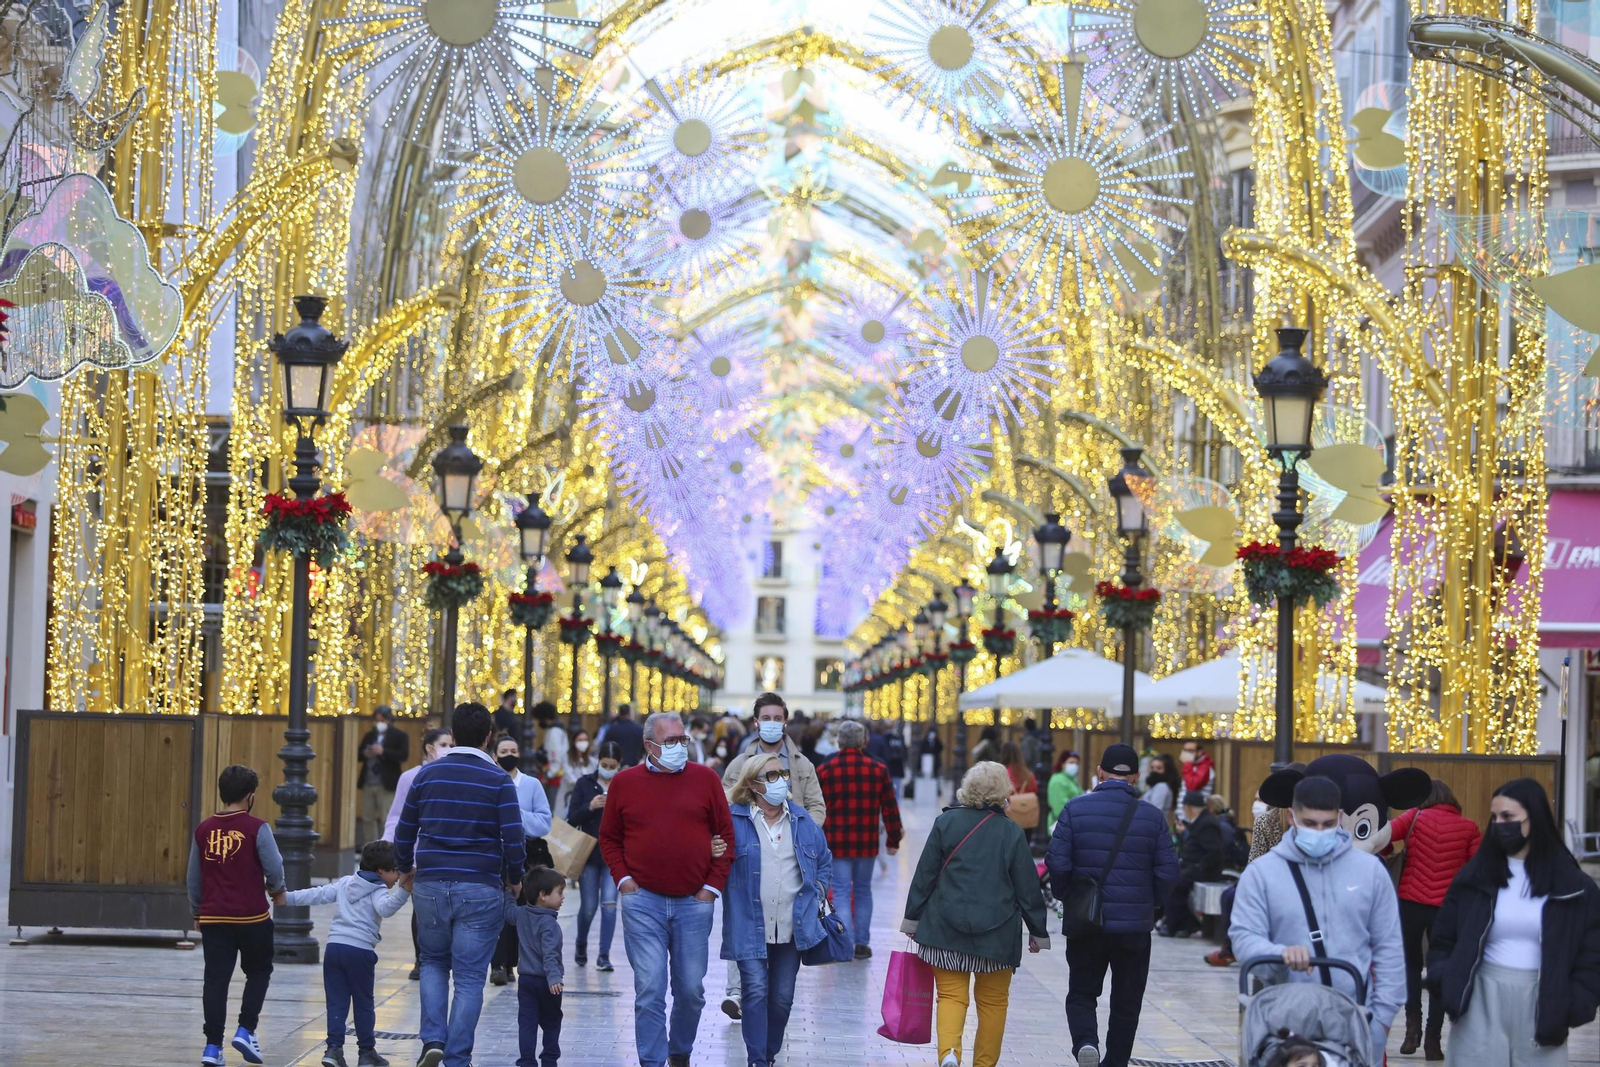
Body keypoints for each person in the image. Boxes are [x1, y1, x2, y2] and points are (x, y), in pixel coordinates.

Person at [1428, 777, 1600, 1066]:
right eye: (1494, 817)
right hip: (1479, 1003)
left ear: (1535, 819)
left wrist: (1573, 1004)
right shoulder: (1474, 878)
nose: (1499, 824)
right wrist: (1446, 982)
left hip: (1543, 1005)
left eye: (1508, 817)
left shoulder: (1575, 887)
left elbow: (1593, 954)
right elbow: (1443, 940)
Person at [1230, 775, 1403, 1059]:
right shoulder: (1261, 873)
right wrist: (1278, 953)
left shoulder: (1370, 871)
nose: (1319, 832)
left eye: (1327, 824)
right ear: (1291, 817)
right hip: (1283, 1020)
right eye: (1310, 823)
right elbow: (1243, 937)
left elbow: (1389, 948)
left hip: (1352, 1017)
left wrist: (1381, 1022)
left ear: (1340, 817)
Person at [600, 712, 736, 1067]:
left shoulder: (705, 779)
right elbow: (609, 837)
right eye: (671, 741)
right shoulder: (624, 783)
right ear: (649, 745)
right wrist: (624, 881)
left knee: (691, 991)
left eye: (683, 740)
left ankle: (679, 1052)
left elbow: (727, 836)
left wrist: (710, 888)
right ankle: (652, 1060)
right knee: (650, 990)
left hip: (694, 902)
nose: (680, 747)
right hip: (642, 900)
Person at [394, 702, 527, 1067]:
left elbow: (405, 831)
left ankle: (433, 1040)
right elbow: (513, 838)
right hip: (481, 887)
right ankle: (457, 1057)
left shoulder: (427, 776)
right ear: (488, 737)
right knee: (469, 977)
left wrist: (406, 867)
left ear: (452, 735)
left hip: (431, 884)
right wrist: (515, 878)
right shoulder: (499, 780)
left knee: (433, 962)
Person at [903, 761, 1050, 1067]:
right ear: (1003, 791)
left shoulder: (946, 823)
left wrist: (912, 918)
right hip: (997, 935)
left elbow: (925, 875)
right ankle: (984, 1064)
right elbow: (1027, 886)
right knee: (994, 1003)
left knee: (951, 997)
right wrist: (1038, 931)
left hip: (945, 929)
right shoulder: (1011, 831)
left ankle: (950, 1055)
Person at [1046, 743, 1179, 1067]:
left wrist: (1069, 896)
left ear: (1100, 772)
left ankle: (1085, 1043)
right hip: (1134, 926)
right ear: (1135, 776)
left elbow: (1057, 863)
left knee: (1082, 992)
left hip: (1086, 923)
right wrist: (1150, 905)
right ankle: (1116, 1060)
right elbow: (1169, 871)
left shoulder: (1075, 810)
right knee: (1127, 1000)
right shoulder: (1152, 816)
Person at [722, 752, 834, 1067]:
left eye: (782, 773)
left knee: (782, 999)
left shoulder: (800, 819)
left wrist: (819, 890)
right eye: (771, 775)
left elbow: (823, 860)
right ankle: (757, 1060)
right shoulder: (734, 819)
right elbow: (714, 861)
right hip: (748, 924)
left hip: (792, 926)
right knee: (755, 991)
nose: (781, 780)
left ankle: (768, 1054)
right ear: (754, 784)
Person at [720, 695, 827, 1017]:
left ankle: (772, 994)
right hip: (749, 852)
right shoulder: (740, 763)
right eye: (765, 716)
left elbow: (816, 805)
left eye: (777, 716)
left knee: (781, 922)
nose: (771, 722)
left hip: (790, 853)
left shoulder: (801, 763)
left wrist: (805, 834)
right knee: (744, 915)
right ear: (755, 722)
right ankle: (738, 992)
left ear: (785, 720)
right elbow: (723, 804)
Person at [283, 839, 413, 1067]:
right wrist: (404, 891)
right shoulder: (378, 889)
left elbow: (318, 894)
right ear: (382, 871)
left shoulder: (345, 883)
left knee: (336, 1003)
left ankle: (333, 1050)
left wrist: (287, 898)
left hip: (334, 949)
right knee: (363, 1003)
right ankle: (366, 1053)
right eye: (396, 872)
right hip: (360, 952)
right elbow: (386, 909)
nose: (398, 877)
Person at [188, 764, 285, 1067]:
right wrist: (276, 888)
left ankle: (212, 1046)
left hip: (214, 917)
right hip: (252, 916)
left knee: (215, 980)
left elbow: (193, 877)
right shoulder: (257, 827)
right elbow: (274, 866)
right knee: (258, 971)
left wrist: (197, 910)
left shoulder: (204, 829)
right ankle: (246, 1029)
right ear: (250, 796)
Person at [1386, 777, 1481, 1057]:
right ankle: (1432, 1040)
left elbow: (1384, 838)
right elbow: (1477, 870)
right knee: (1440, 971)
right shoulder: (1469, 827)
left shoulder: (1413, 817)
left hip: (1409, 903)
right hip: (1446, 909)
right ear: (1451, 799)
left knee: (1410, 966)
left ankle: (1411, 1028)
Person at [815, 719, 902, 960]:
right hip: (866, 842)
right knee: (863, 891)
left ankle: (846, 943)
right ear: (864, 741)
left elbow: (816, 806)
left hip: (836, 841)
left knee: (841, 892)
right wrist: (893, 839)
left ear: (839, 741)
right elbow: (890, 807)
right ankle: (862, 943)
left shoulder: (825, 768)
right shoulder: (878, 768)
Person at [384, 727, 452, 981]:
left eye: (452, 744)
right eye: (444, 744)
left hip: (446, 851)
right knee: (421, 907)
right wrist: (389, 844)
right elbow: (397, 816)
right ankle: (421, 959)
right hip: (418, 852)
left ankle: (440, 956)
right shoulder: (411, 777)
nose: (449, 749)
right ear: (430, 748)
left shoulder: (453, 774)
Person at [492, 732, 554, 986]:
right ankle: (496, 962)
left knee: (517, 909)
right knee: (496, 909)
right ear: (494, 755)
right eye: (504, 752)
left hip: (523, 855)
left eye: (513, 752)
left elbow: (544, 822)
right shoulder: (490, 781)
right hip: (494, 855)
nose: (509, 756)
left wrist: (515, 815)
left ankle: (509, 963)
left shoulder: (531, 784)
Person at [565, 740, 622, 970]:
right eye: (604, 764)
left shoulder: (623, 784)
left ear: (619, 764)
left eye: (613, 765)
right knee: (588, 907)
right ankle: (581, 943)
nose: (608, 768)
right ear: (597, 762)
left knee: (609, 904)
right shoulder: (584, 783)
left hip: (613, 854)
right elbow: (572, 817)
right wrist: (590, 806)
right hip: (588, 853)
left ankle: (604, 955)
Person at [507, 866, 567, 1067]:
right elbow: (550, 954)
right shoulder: (549, 924)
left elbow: (508, 913)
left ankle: (526, 1062)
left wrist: (509, 893)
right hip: (548, 984)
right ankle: (549, 1060)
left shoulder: (522, 914)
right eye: (559, 892)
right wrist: (554, 978)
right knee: (551, 1022)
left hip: (525, 981)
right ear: (543, 895)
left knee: (527, 1023)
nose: (562, 897)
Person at [1158, 791, 1224, 939]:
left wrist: (1198, 867)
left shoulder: (1207, 824)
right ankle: (1181, 923)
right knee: (1170, 878)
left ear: (1189, 808)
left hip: (1204, 869)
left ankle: (1177, 924)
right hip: (1192, 865)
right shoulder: (1199, 822)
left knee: (1176, 883)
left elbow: (1213, 852)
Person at [357, 706, 410, 848]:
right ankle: (370, 847)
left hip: (387, 782)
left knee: (386, 817)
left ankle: (387, 848)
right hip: (368, 781)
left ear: (389, 720)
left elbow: (403, 756)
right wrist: (365, 753)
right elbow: (359, 754)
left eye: (382, 719)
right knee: (368, 817)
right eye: (377, 720)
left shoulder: (400, 736)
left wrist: (383, 751)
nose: (379, 722)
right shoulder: (370, 735)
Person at [999, 740, 1039, 833]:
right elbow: (1034, 789)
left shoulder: (1004, 773)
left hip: (1011, 816)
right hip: (1028, 816)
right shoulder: (1028, 774)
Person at [554, 729, 594, 821]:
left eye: (585, 740)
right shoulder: (567, 759)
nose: (583, 742)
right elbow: (570, 777)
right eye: (580, 740)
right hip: (568, 798)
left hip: (586, 801)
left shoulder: (592, 761)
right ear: (574, 742)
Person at [533, 703, 567, 801]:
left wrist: (547, 775)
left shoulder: (553, 732)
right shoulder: (560, 729)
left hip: (553, 778)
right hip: (557, 774)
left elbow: (554, 756)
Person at [598, 702, 644, 767]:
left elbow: (605, 747)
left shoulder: (612, 729)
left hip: (616, 765)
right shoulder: (639, 729)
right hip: (634, 764)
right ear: (630, 713)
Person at [1048, 750, 1085, 828]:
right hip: (1062, 825)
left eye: (1076, 763)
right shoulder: (1058, 780)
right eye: (1071, 762)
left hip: (1072, 822)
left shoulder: (1071, 779)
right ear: (1062, 764)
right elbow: (1059, 809)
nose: (1074, 765)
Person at [1141, 753, 1179, 825]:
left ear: (1166, 770)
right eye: (1152, 767)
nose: (1154, 771)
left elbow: (1154, 811)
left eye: (1159, 768)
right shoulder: (1154, 786)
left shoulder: (1161, 786)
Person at [883, 723, 907, 795]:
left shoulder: (884, 739)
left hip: (887, 767)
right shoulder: (899, 739)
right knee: (897, 792)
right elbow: (905, 753)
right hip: (898, 768)